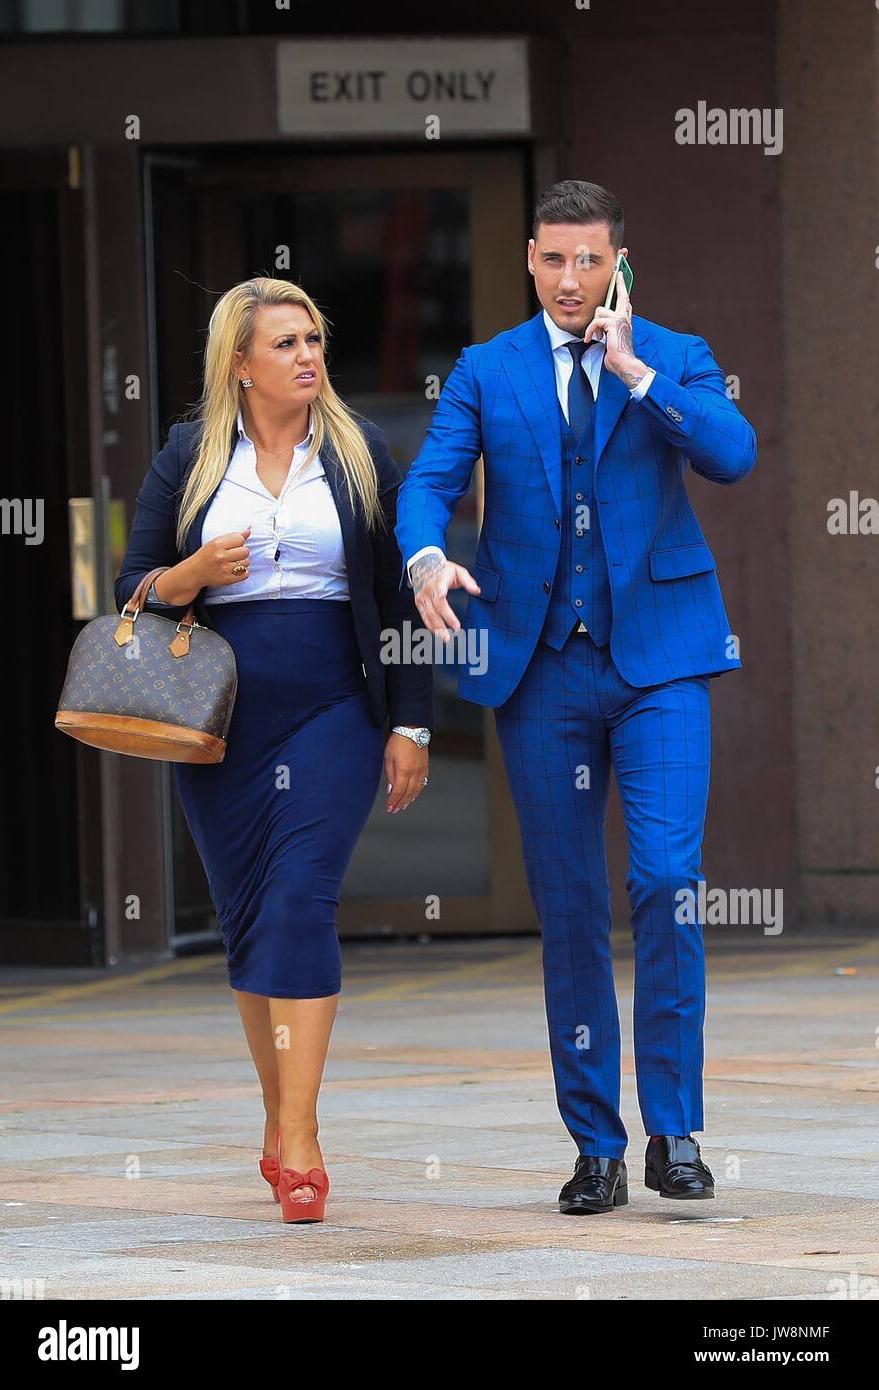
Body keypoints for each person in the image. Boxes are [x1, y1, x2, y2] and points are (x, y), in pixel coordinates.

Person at [396, 180, 756, 1215]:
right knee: (568, 909)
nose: (570, 280)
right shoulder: (484, 369)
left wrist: (636, 371)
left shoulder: (675, 356)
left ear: (619, 263)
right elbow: (429, 481)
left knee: (666, 877)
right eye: (553, 260)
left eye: (589, 260)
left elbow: (733, 455)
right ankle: (595, 1142)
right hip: (541, 666)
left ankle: (674, 1129)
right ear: (529, 257)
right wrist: (425, 554)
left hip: (662, 660)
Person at [115, 277, 433, 1223]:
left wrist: (410, 723)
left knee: (301, 900)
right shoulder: (190, 455)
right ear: (241, 365)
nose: (306, 356)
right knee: (250, 919)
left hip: (334, 703)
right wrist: (193, 572)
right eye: (285, 344)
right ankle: (278, 1113)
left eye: (313, 340)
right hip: (218, 716)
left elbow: (393, 594)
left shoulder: (357, 450)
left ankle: (301, 1138)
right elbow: (134, 584)